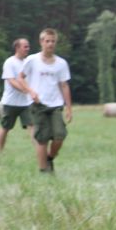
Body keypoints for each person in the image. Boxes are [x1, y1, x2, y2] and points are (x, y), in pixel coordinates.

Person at [19, 28, 72, 173]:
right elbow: (21, 77)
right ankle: (44, 171)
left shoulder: (61, 63)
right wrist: (30, 91)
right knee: (42, 138)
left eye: (53, 41)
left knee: (60, 135)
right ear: (41, 42)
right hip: (38, 104)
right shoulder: (32, 60)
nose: (50, 44)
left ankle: (49, 158)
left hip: (55, 105)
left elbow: (64, 85)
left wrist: (69, 108)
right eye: (47, 41)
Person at [0, 38, 37, 152]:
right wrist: (26, 90)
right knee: (5, 128)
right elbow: (12, 81)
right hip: (10, 103)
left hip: (26, 103)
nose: (27, 49)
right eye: (25, 47)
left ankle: (39, 151)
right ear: (17, 48)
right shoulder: (10, 62)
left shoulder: (28, 62)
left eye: (28, 46)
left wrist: (31, 91)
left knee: (32, 126)